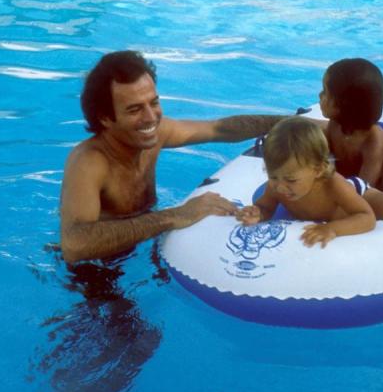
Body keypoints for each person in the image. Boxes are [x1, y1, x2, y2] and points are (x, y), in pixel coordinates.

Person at [59, 50, 286, 263]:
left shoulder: (155, 134)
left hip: (143, 244)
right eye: (134, 109)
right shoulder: (90, 162)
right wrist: (175, 216)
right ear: (106, 119)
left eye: (154, 102)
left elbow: (222, 129)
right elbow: (74, 245)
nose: (151, 118)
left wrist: (292, 124)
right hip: (96, 269)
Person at [235, 117, 383, 248]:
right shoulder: (278, 185)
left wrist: (333, 229)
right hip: (330, 209)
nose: (280, 186)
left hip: (356, 193)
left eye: (290, 179)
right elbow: (267, 206)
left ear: (318, 170)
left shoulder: (332, 184)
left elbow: (366, 218)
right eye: (273, 176)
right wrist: (257, 212)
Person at [318, 57, 383, 192]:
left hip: (377, 184)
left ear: (345, 104)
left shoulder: (373, 140)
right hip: (347, 176)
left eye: (325, 91)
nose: (320, 95)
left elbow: (365, 184)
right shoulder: (334, 125)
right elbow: (325, 158)